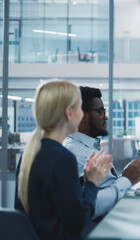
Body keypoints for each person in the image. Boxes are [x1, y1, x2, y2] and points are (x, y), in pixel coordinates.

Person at [16, 80, 111, 239]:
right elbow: (78, 223)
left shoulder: (30, 153)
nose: (82, 115)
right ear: (69, 113)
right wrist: (91, 183)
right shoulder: (63, 158)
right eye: (80, 108)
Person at [64, 86, 140, 219]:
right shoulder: (74, 153)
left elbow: (105, 186)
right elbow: (90, 205)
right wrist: (127, 179)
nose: (106, 117)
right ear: (82, 116)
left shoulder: (88, 146)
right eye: (100, 112)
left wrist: (133, 174)